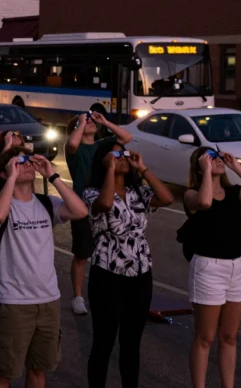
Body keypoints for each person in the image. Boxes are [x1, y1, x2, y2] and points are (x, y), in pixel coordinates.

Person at [0, 147, 88, 388]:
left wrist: (52, 176)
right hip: (13, 303)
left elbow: (80, 211)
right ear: (4, 173)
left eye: (29, 160)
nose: (28, 164)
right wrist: (12, 177)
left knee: (38, 370)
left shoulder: (46, 203)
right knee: (5, 374)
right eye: (20, 162)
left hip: (48, 300)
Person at [83, 144, 174, 388]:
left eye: (123, 153)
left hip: (140, 272)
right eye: (114, 154)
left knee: (132, 343)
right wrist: (111, 171)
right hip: (107, 274)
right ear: (102, 161)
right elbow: (103, 204)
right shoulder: (92, 192)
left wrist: (142, 168)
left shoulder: (138, 192)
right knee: (103, 341)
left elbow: (167, 198)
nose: (121, 158)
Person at [183, 147, 241, 388]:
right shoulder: (192, 193)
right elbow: (205, 202)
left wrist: (236, 167)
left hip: (237, 267)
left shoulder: (233, 192)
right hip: (209, 268)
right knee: (205, 337)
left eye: (218, 157)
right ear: (199, 165)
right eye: (211, 158)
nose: (217, 161)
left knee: (229, 336)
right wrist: (208, 172)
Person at [64, 111, 133, 316]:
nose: (90, 123)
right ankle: (77, 297)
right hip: (81, 206)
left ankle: (112, 293)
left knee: (110, 250)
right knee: (82, 253)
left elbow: (126, 137)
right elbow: (72, 144)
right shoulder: (75, 150)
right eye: (86, 122)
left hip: (104, 202)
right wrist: (80, 121)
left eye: (92, 121)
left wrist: (104, 121)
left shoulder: (102, 145)